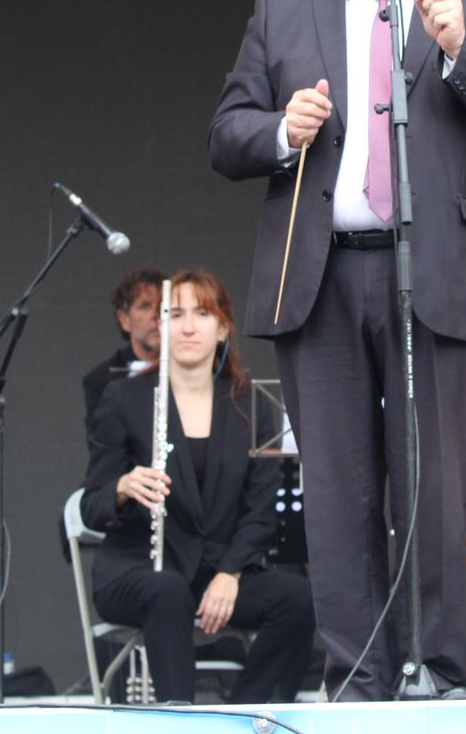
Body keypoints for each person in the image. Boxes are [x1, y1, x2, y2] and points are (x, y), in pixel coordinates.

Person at [207, 0, 466, 700]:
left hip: (437, 272)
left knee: (435, 489)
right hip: (321, 277)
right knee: (338, 492)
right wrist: (280, 130)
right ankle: (356, 679)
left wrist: (462, 50)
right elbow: (226, 133)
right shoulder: (285, 7)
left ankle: (439, 671)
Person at [81, 269, 315, 704]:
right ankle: (181, 719)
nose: (188, 326)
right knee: (168, 590)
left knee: (299, 599)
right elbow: (92, 505)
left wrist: (231, 572)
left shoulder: (251, 404)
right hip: (139, 568)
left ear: (223, 328)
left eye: (202, 314)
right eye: (175, 314)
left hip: (218, 570)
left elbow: (261, 512)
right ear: (161, 327)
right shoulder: (124, 399)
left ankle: (241, 716)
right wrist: (122, 486)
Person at [82, 268, 165, 458]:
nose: (156, 315)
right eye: (145, 306)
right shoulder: (100, 380)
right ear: (124, 319)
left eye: (163, 306)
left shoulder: (191, 369)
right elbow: (102, 450)